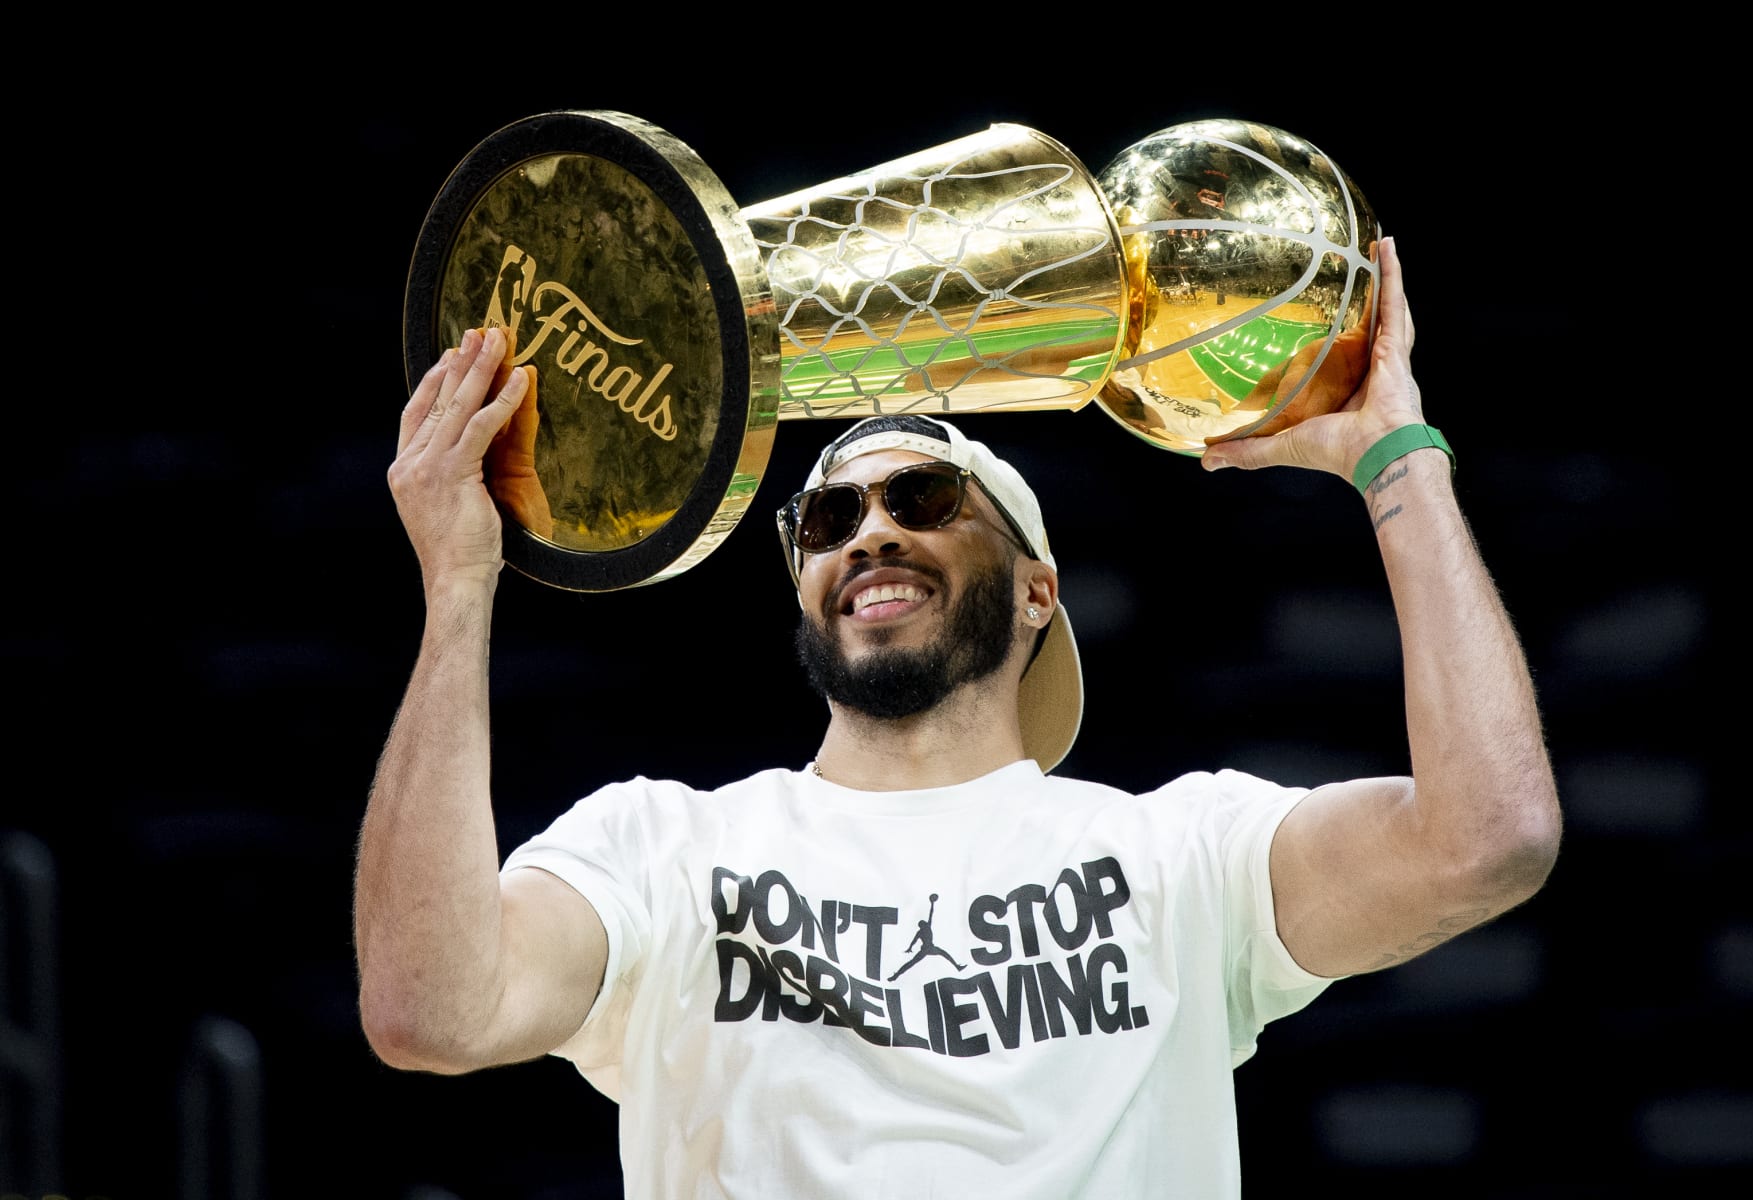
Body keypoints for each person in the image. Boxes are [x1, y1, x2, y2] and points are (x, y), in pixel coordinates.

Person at [354, 237, 1561, 1198]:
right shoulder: (661, 851)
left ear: (1039, 589)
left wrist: (1399, 459)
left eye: (925, 498)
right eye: (826, 523)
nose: (870, 530)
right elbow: (430, 1010)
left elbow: (1491, 835)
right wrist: (458, 589)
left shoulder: (1183, 856)